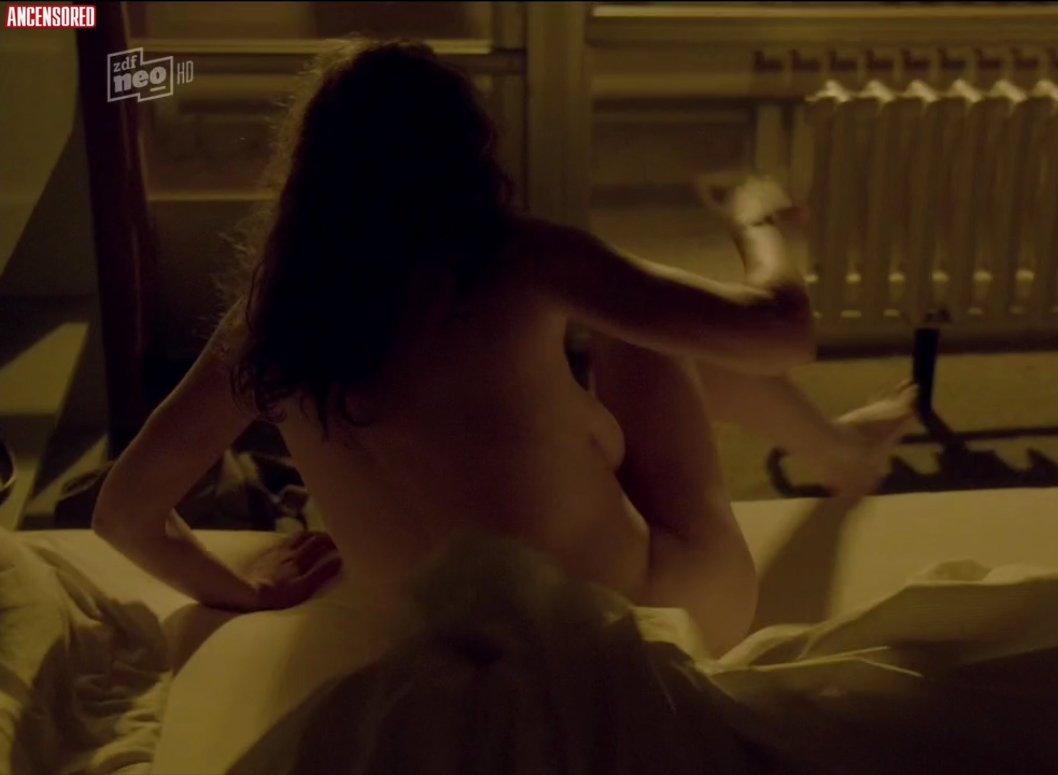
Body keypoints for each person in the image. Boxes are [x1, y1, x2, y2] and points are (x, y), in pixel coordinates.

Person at [91, 39, 914, 656]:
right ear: (465, 156)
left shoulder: (266, 325)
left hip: (454, 672)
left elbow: (124, 515)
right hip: (657, 630)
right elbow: (779, 332)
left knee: (617, 356)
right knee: (645, 332)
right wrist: (758, 222)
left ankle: (836, 449)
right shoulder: (517, 261)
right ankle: (840, 454)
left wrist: (246, 591)